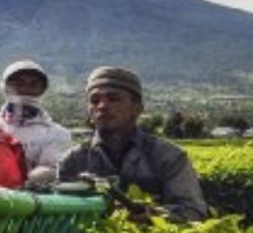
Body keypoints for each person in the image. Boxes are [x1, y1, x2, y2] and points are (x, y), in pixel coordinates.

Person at [58, 66, 207, 221]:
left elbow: (193, 211)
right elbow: (61, 213)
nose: (102, 106)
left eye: (114, 99)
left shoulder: (169, 157)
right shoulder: (72, 160)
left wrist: (154, 214)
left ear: (137, 108)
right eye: (94, 100)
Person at [0, 60, 73, 186]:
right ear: (5, 87)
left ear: (42, 90)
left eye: (33, 84)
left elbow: (50, 172)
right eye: (18, 83)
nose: (25, 89)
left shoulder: (58, 134)